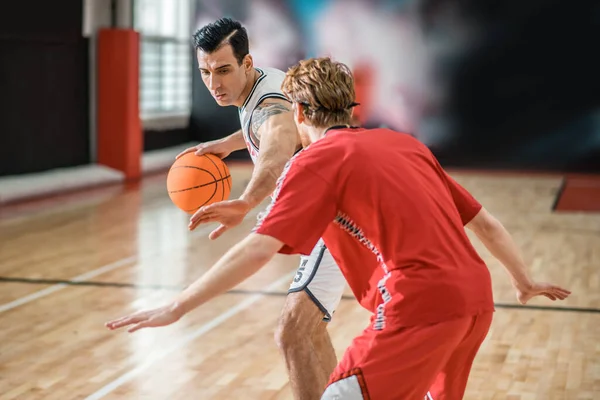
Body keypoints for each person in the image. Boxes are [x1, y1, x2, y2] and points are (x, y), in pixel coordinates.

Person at [106, 57, 571, 399]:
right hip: (475, 303)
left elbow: (256, 251)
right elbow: (486, 225)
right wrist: (524, 281)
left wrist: (179, 305)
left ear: (301, 114)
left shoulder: (315, 161)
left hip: (419, 306)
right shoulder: (406, 144)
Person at [175, 18, 346, 399]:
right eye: (204, 72)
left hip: (333, 223)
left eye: (223, 70)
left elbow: (276, 145)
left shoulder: (271, 101)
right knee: (306, 329)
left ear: (246, 64)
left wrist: (247, 200)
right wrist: (231, 142)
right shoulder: (260, 83)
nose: (214, 84)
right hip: (332, 217)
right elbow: (260, 130)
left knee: (292, 332)